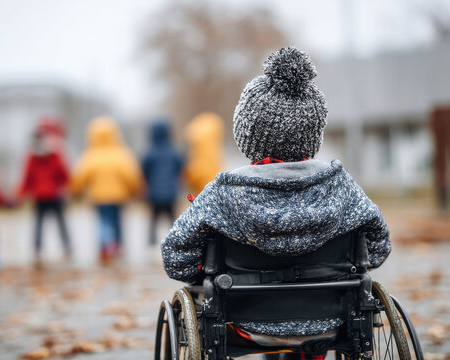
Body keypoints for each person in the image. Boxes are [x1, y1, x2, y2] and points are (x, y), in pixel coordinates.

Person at [161, 47, 391, 358]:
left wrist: (203, 274)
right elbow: (377, 248)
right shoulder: (342, 186)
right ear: (314, 131)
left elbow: (176, 257)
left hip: (245, 322)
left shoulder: (222, 193)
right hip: (330, 319)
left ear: (247, 132)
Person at [71, 117, 143, 264]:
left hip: (99, 196)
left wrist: (76, 191)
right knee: (117, 221)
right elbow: (130, 174)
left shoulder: (90, 155)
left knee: (104, 221)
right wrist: (136, 190)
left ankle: (105, 245)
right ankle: (117, 245)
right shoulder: (121, 154)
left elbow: (81, 176)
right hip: (118, 196)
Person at [18, 119, 71, 263]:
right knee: (60, 223)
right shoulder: (56, 154)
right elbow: (63, 174)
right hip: (54, 195)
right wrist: (70, 187)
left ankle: (37, 248)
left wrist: (20, 194)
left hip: (39, 196)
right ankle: (66, 246)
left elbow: (27, 177)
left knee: (39, 224)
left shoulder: (32, 156)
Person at [142, 119, 184, 246]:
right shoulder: (174, 151)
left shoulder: (150, 152)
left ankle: (151, 244)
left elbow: (144, 170)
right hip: (171, 192)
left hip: (154, 193)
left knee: (153, 220)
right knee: (172, 220)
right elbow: (180, 166)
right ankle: (175, 242)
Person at [184, 111, 224, 195]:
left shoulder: (200, 151)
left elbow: (200, 172)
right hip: (212, 185)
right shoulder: (212, 149)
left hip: (204, 189)